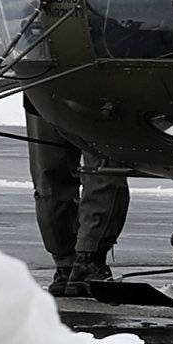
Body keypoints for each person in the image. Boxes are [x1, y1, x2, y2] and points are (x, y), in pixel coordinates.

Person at [25, 100, 130, 297]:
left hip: (39, 89)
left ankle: (65, 264)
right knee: (103, 170)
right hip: (94, 93)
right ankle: (88, 260)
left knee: (49, 177)